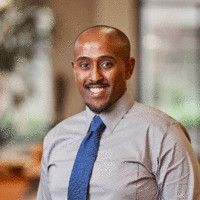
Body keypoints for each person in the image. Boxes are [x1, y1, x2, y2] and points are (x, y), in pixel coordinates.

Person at [37, 25, 200, 200]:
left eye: (106, 64)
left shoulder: (164, 135)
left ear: (128, 68)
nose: (94, 77)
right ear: (75, 69)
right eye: (84, 65)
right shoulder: (56, 138)